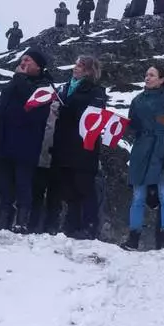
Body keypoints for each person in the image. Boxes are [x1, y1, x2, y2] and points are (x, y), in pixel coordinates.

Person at [0, 47, 52, 232]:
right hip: (5, 142)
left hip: (26, 144)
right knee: (4, 184)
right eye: (22, 59)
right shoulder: (13, 83)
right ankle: (3, 221)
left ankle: (21, 221)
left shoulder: (44, 86)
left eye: (28, 60)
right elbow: (1, 108)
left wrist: (19, 78)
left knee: (23, 184)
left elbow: (31, 104)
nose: (23, 63)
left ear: (39, 66)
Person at [48, 55, 108, 238]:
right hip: (64, 144)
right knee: (68, 188)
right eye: (76, 65)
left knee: (84, 187)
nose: (75, 68)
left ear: (89, 71)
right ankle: (72, 225)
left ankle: (89, 225)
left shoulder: (96, 91)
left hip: (83, 147)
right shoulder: (65, 88)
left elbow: (92, 116)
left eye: (80, 66)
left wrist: (67, 110)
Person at [123, 64, 164, 249]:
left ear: (162, 79)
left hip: (162, 147)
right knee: (138, 196)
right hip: (141, 148)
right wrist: (133, 126)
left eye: (152, 75)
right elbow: (132, 124)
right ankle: (133, 237)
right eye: (146, 74)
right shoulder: (137, 100)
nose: (147, 78)